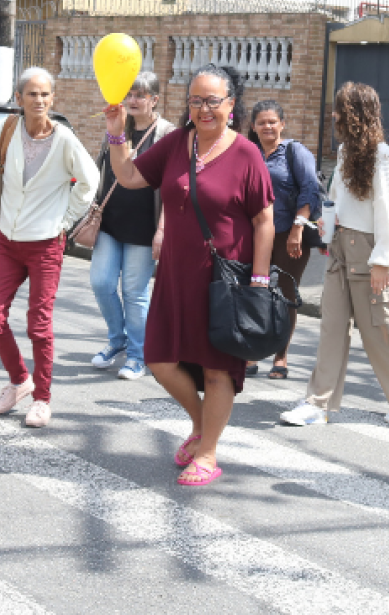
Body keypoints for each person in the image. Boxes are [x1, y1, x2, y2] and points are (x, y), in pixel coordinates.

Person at [104, 63, 274, 487]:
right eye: (195, 101)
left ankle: (209, 452)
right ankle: (202, 426)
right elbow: (127, 175)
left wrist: (258, 280)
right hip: (176, 278)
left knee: (218, 370)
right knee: (160, 360)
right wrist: (116, 132)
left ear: (231, 105)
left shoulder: (246, 153)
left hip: (225, 284)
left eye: (213, 101)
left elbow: (264, 220)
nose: (204, 109)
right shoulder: (178, 144)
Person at [0, 67, 98, 428]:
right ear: (18, 99)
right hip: (7, 241)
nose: (39, 100)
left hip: (46, 244)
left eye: (45, 94)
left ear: (53, 99)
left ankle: (42, 398)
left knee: (39, 326)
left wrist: (64, 221)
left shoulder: (63, 139)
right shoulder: (9, 129)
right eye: (32, 94)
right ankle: (20, 380)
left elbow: (89, 182)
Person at [280, 83, 389, 427]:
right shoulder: (347, 151)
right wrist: (326, 227)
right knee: (331, 327)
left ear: (355, 114)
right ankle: (318, 403)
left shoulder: (382, 155)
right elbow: (336, 200)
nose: (334, 116)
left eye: (340, 110)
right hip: (341, 248)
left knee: (377, 329)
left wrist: (383, 261)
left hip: (369, 252)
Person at [89, 72, 174, 380]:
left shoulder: (166, 134)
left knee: (134, 292)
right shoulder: (117, 128)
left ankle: (138, 356)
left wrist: (163, 229)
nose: (133, 100)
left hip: (144, 227)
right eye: (130, 95)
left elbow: (172, 187)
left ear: (154, 100)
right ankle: (117, 341)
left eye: (141, 95)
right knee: (101, 283)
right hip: (111, 222)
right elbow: (102, 170)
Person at [247, 99, 322, 379]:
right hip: (254, 235)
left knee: (285, 296)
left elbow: (310, 190)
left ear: (282, 124)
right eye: (262, 122)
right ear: (253, 127)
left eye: (272, 121)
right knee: (254, 292)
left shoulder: (294, 152)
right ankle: (251, 352)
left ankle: (281, 355)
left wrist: (297, 230)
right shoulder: (248, 152)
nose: (267, 126)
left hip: (289, 235)